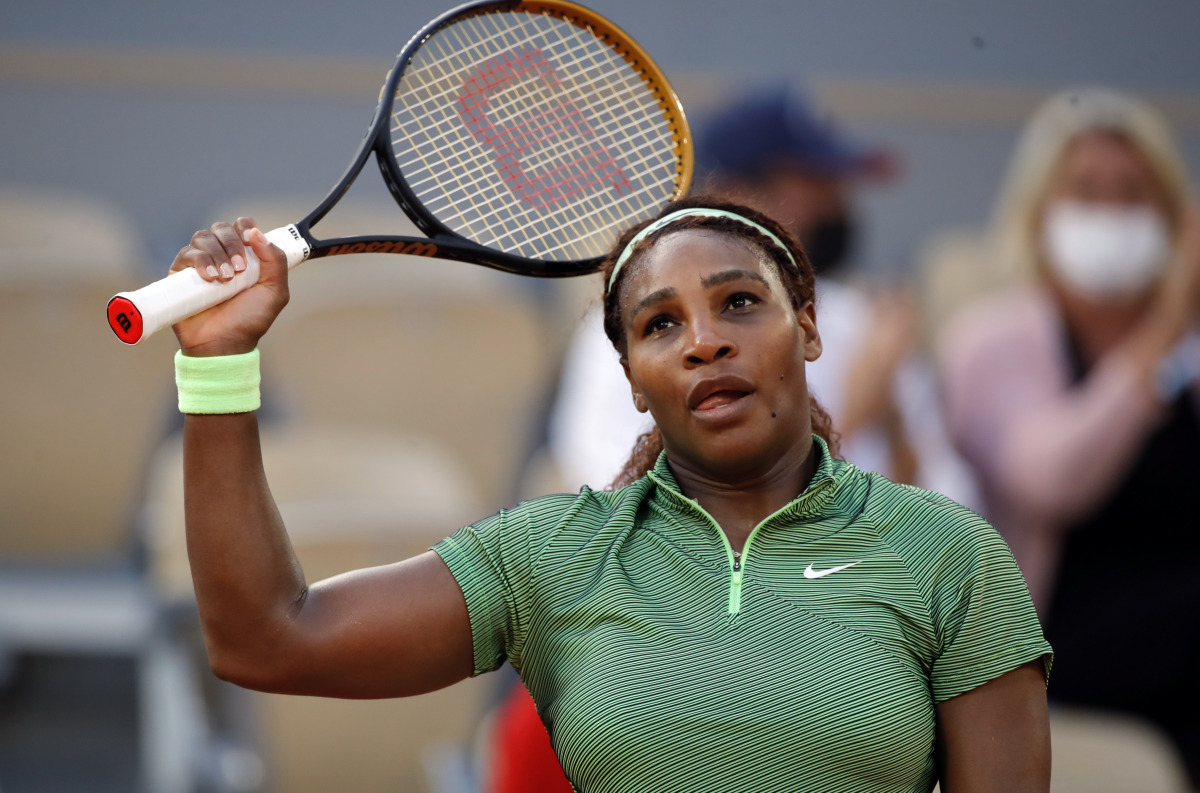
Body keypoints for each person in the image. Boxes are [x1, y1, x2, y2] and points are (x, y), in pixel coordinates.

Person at [170, 196, 1052, 791]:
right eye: (660, 324)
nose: (704, 341)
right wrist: (219, 367)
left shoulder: (949, 552)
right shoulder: (550, 555)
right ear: (632, 375)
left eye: (739, 302)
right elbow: (266, 640)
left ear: (809, 327)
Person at [937, 88, 1200, 782]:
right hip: (1066, 665)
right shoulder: (989, 342)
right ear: (1038, 209)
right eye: (1085, 189)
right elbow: (1049, 481)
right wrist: (1162, 333)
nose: (1110, 211)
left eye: (1133, 193)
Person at [547, 85, 978, 508]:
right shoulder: (636, 329)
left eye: (741, 304)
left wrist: (891, 421)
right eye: (814, 182)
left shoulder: (866, 324)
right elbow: (625, 515)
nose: (836, 205)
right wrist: (854, 416)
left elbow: (945, 519)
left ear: (807, 326)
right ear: (734, 194)